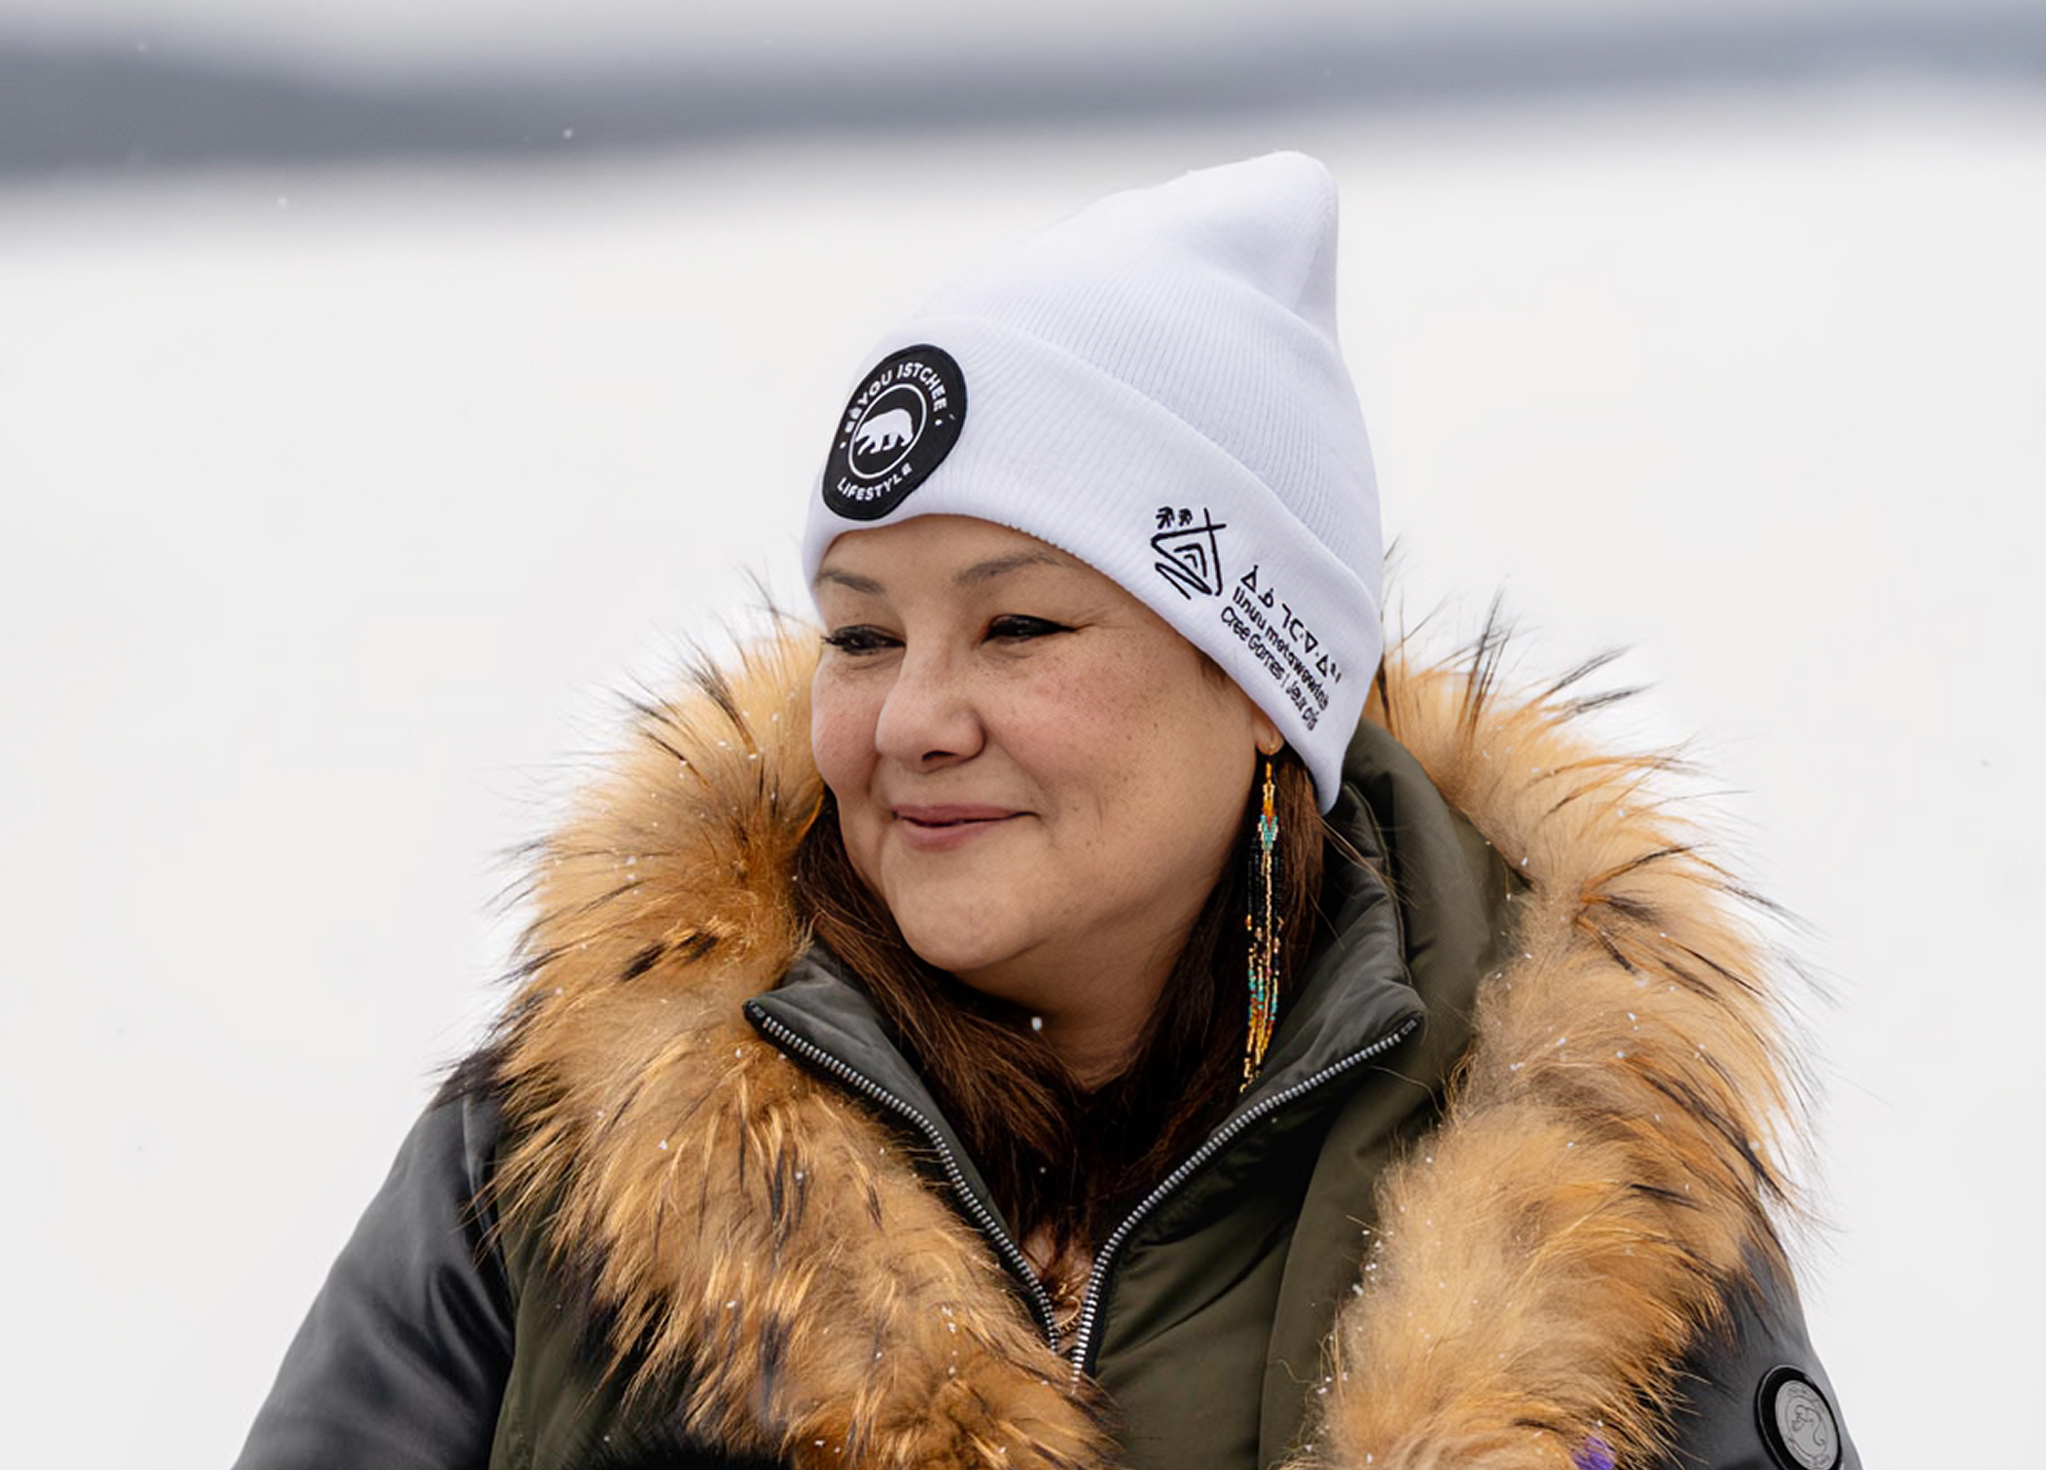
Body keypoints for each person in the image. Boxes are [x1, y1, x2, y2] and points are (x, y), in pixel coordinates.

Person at [234, 153, 1857, 1470]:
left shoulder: (1591, 1193)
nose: (912, 721)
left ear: (1257, 688)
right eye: (861, 634)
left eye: (1018, 628)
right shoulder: (546, 1163)